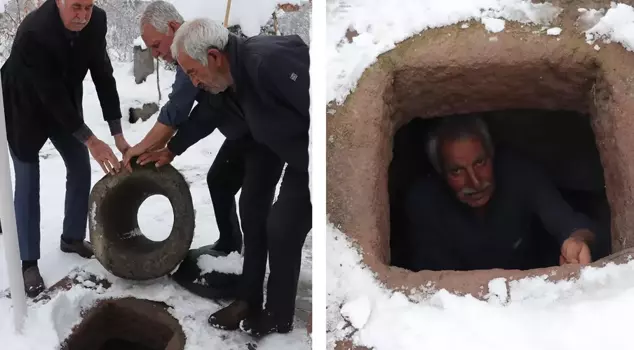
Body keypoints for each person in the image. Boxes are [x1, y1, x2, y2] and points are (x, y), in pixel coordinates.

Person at [141, 18, 311, 336]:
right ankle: (252, 301)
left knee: (280, 226)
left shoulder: (268, 63)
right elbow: (206, 115)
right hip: (287, 152)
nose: (193, 82)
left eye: (193, 71)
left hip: (318, 158)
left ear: (215, 57)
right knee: (264, 218)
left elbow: (325, 107)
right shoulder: (226, 78)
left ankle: (276, 314)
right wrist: (172, 149)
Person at [0, 0, 129, 297]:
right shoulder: (34, 30)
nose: (83, 16)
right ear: (58, 1)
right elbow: (49, 93)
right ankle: (28, 262)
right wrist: (91, 139)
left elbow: (103, 75)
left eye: (87, 6)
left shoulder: (97, 21)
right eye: (75, 7)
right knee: (29, 179)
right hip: (24, 106)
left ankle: (71, 238)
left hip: (65, 103)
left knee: (80, 165)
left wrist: (117, 133)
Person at [123, 1, 244, 253]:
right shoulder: (186, 57)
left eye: (156, 46)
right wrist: (170, 149)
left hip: (260, 130)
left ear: (172, 27)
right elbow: (205, 113)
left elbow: (176, 110)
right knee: (219, 179)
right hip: (241, 130)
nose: (155, 55)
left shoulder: (192, 51)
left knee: (255, 201)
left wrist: (140, 148)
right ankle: (229, 246)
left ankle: (252, 267)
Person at [401, 116, 596, 272]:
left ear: (492, 154)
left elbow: (567, 221)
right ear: (440, 173)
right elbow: (431, 278)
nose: (475, 182)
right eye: (457, 171)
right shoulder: (424, 202)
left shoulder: (518, 171)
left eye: (480, 163)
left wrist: (577, 241)